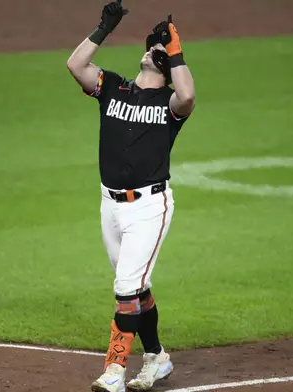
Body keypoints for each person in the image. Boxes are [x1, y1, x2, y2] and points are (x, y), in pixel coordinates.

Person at [66, 1, 196, 391]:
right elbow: (76, 66)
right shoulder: (114, 88)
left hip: (149, 208)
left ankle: (115, 371)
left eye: (159, 52)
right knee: (135, 287)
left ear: (168, 65)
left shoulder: (169, 104)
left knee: (125, 287)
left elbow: (188, 96)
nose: (150, 52)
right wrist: (104, 28)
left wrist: (175, 52)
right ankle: (157, 358)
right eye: (151, 47)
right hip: (110, 205)